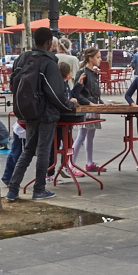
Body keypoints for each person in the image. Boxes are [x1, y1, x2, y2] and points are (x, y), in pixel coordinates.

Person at [7, 27, 77, 201]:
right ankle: (39, 189)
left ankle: (13, 189)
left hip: (28, 111)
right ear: (49, 43)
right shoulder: (49, 63)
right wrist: (69, 105)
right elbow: (56, 93)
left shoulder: (22, 59)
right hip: (46, 114)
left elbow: (12, 83)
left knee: (28, 150)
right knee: (44, 151)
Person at [70, 47, 105, 175]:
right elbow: (76, 93)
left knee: (90, 136)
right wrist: (90, 103)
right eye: (98, 57)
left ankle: (89, 163)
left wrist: (102, 104)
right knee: (82, 136)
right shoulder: (83, 72)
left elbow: (95, 93)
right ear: (90, 58)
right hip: (86, 108)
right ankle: (70, 164)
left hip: (93, 106)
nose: (100, 60)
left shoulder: (93, 73)